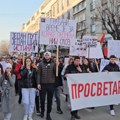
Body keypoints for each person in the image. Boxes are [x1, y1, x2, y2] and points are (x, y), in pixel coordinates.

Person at [37, 51, 56, 120]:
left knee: (49, 100)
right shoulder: (41, 64)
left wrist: (58, 65)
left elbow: (56, 73)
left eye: (48, 55)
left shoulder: (54, 64)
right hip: (43, 84)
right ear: (44, 56)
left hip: (51, 84)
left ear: (50, 56)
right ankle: (42, 111)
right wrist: (38, 83)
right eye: (46, 55)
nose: (47, 56)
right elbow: (39, 74)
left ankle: (48, 114)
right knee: (42, 99)